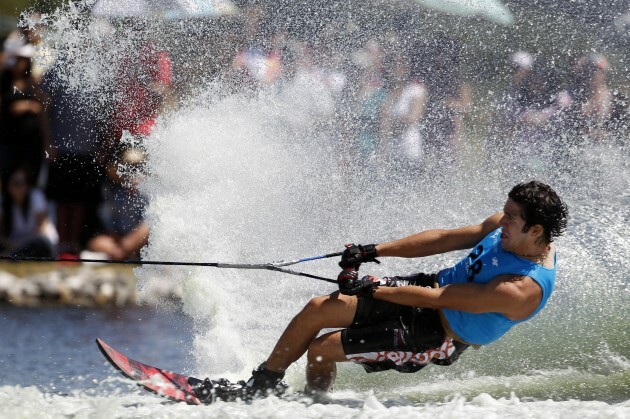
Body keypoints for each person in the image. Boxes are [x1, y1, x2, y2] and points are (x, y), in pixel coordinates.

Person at [193, 181, 569, 402]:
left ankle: (315, 407)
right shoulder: (503, 227)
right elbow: (442, 239)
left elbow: (440, 301)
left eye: (512, 219)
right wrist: (372, 251)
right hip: (430, 287)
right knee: (318, 307)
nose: (502, 221)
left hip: (438, 333)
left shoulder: (522, 289)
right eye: (504, 212)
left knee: (321, 351)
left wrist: (376, 287)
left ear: (535, 231)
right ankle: (261, 386)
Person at [0, 167, 58, 257]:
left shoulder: (36, 196)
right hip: (14, 246)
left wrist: (19, 246)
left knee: (42, 243)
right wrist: (11, 245)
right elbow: (2, 235)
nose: (22, 187)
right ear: (8, 186)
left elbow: (41, 230)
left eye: (24, 183)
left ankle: (11, 257)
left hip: (36, 244)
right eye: (17, 184)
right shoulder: (3, 202)